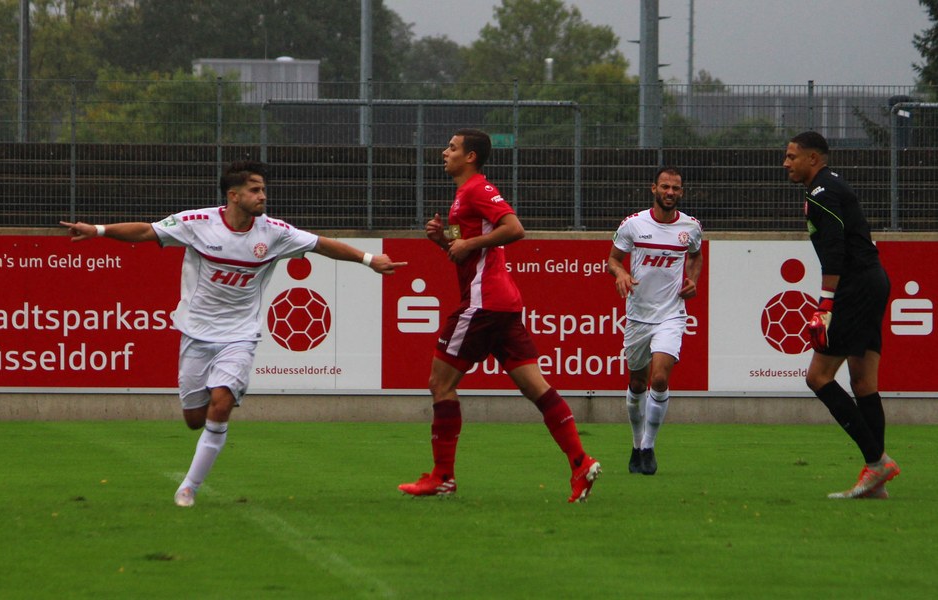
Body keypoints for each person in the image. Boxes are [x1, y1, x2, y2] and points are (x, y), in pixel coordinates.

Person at [60, 160, 405, 507]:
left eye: (263, 190)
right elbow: (146, 232)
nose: (262, 196)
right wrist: (98, 230)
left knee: (222, 403)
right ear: (234, 195)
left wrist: (368, 260)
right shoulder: (197, 223)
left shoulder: (274, 232)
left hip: (240, 335)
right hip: (196, 333)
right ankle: (199, 444)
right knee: (194, 419)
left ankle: (188, 487)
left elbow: (321, 245)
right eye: (255, 190)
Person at [398, 128, 601, 503]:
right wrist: (444, 240)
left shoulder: (478, 189)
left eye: (452, 148)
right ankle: (580, 462)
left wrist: (467, 243)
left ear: (470, 157)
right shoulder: (463, 195)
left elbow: (514, 228)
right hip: (501, 305)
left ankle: (443, 477)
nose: (444, 152)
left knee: (440, 383)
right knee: (535, 388)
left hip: (483, 302)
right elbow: (463, 248)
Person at [783, 131, 899, 499]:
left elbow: (834, 253)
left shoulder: (823, 192)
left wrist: (825, 305)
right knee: (863, 383)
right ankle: (876, 480)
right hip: (872, 281)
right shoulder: (829, 186)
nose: (786, 163)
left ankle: (877, 462)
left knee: (817, 377)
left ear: (813, 158)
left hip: (855, 287)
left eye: (792, 157)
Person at [607, 166, 703, 476]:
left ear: (681, 192)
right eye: (665, 187)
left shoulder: (690, 227)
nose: (670, 192)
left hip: (671, 315)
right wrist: (621, 273)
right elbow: (612, 260)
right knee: (637, 383)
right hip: (638, 316)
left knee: (659, 379)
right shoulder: (633, 225)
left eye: (675, 188)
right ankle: (636, 445)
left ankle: (648, 447)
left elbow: (695, 255)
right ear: (654, 189)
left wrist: (693, 280)